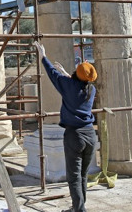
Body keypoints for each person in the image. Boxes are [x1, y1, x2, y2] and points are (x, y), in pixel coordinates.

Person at [33, 41, 97, 212]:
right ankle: (79, 207)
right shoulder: (91, 90)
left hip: (74, 135)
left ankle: (79, 209)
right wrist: (67, 74)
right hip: (90, 134)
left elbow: (52, 74)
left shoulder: (70, 85)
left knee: (73, 177)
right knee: (83, 175)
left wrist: (43, 56)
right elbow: (77, 85)